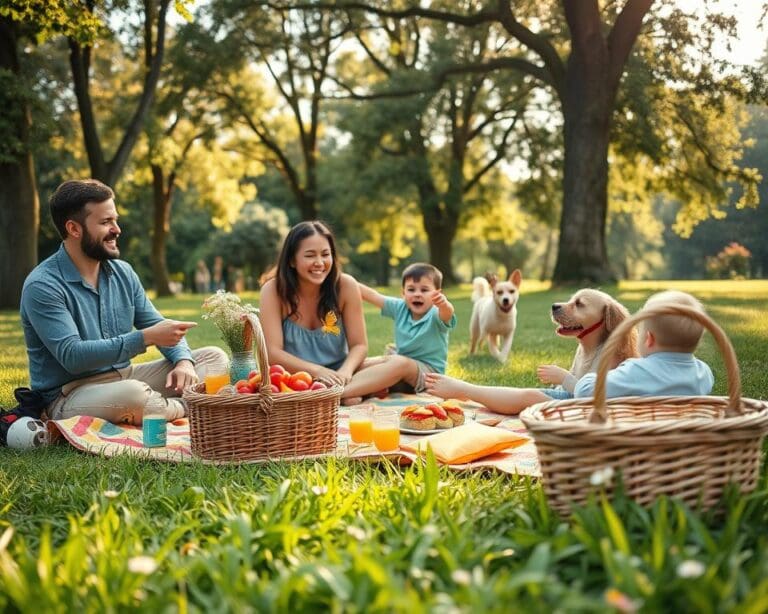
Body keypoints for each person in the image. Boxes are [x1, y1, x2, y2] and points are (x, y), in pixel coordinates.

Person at [20, 179, 228, 425]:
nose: (117, 229)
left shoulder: (123, 272)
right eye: (106, 222)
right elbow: (73, 356)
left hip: (124, 377)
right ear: (74, 229)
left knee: (213, 358)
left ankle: (167, 407)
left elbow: (159, 326)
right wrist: (145, 338)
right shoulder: (43, 285)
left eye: (115, 220)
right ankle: (191, 406)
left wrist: (183, 361)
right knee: (134, 395)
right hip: (70, 394)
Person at [426, 290, 714, 414]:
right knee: (528, 395)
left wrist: (565, 378)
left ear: (648, 339)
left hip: (595, 413)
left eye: (579, 304)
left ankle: (463, 389)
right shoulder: (704, 374)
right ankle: (466, 389)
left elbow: (588, 392)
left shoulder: (633, 370)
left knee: (529, 397)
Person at [259, 221, 368, 398]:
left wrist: (345, 373)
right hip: (294, 379)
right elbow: (273, 353)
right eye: (310, 255)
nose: (319, 262)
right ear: (292, 260)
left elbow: (359, 345)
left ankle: (337, 394)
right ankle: (341, 394)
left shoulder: (346, 286)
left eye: (326, 254)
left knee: (400, 364)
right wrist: (317, 371)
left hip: (338, 374)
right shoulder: (273, 291)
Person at [345, 263, 456, 401]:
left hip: (428, 375)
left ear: (437, 293)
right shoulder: (400, 307)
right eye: (411, 289)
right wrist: (342, 279)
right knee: (359, 363)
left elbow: (447, 313)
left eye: (424, 290)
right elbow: (372, 295)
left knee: (400, 363)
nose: (417, 294)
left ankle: (339, 394)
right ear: (403, 293)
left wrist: (444, 304)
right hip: (399, 366)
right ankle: (348, 390)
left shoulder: (436, 314)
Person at [572, 290, 713, 398]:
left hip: (642, 432)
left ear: (649, 339)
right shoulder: (704, 372)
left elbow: (585, 391)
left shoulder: (636, 370)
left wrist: (591, 377)